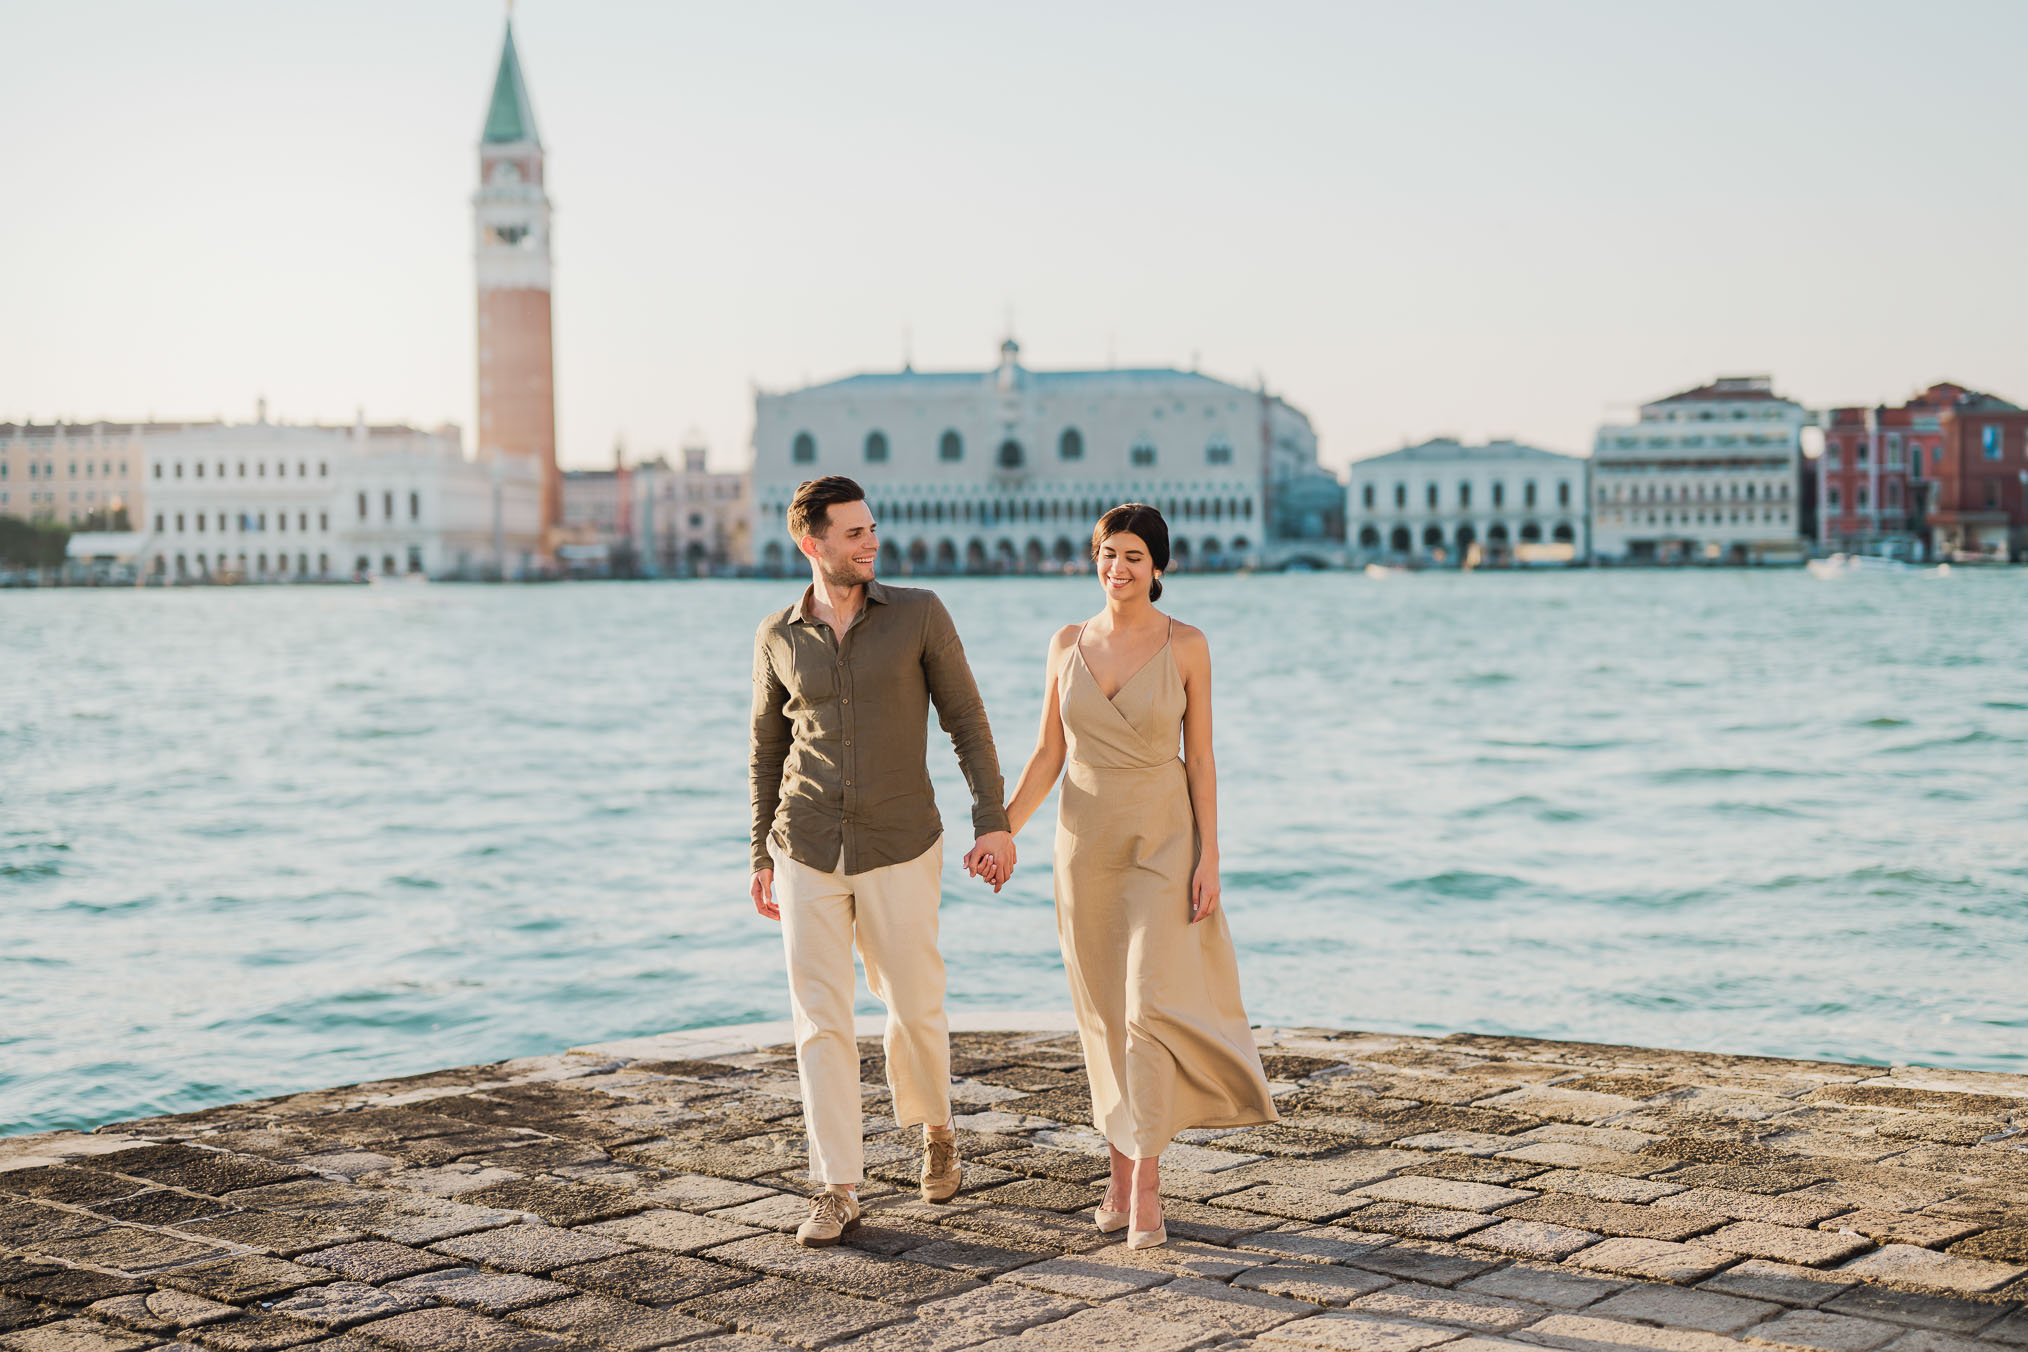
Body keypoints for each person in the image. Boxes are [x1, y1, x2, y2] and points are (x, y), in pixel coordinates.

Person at [995, 503, 1277, 1248]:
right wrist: (1001, 827)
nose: (1118, 570)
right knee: (1103, 1020)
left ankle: (1147, 1189)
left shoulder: (1187, 646)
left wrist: (1211, 856)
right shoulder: (1064, 644)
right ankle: (1118, 1178)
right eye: (1107, 554)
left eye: (1133, 558)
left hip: (1163, 839)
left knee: (1147, 1007)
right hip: (1084, 848)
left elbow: (1205, 758)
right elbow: (1047, 756)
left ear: (1158, 568)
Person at [748, 476, 1016, 1247]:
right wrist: (759, 852)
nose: (871, 543)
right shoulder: (777, 635)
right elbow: (768, 749)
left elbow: (966, 719)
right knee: (819, 1020)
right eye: (854, 533)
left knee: (914, 1000)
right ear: (813, 544)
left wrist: (992, 822)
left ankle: (936, 1128)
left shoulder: (922, 614)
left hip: (902, 840)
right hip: (805, 845)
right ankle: (837, 1187)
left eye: (871, 530)